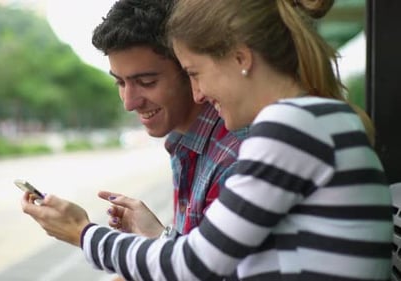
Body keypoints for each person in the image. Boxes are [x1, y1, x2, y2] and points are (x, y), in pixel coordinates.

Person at [22, 0, 393, 280]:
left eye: (195, 73)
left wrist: (83, 233)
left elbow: (197, 263)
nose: (198, 94)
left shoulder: (291, 126)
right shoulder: (320, 119)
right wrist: (158, 237)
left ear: (240, 58)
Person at [91, 0, 247, 240]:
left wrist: (80, 233)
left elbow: (205, 270)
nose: (129, 103)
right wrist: (155, 238)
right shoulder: (183, 144)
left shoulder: (234, 159)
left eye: (146, 83)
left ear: (189, 69)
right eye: (120, 83)